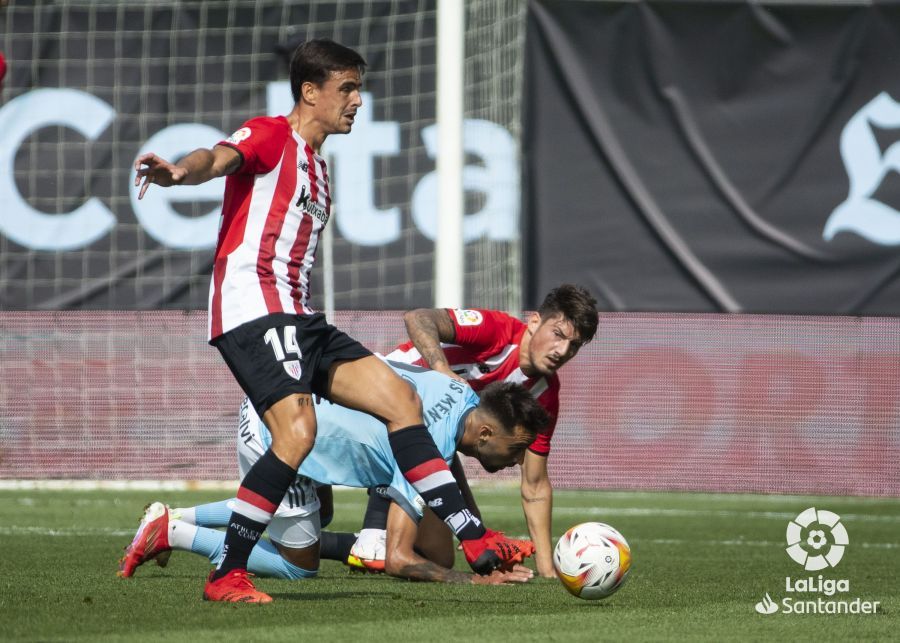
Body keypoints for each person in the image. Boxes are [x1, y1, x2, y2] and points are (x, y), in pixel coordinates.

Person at [133, 39, 527, 602]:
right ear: (309, 92)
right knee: (298, 434)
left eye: (359, 89)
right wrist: (178, 173)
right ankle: (226, 575)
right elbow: (218, 158)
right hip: (255, 309)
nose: (357, 102)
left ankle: (475, 536)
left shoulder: (318, 169)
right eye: (346, 89)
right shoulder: (272, 134)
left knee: (402, 402)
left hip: (301, 317)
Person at [118, 364, 547, 585]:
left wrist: (475, 533)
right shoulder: (427, 444)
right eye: (516, 449)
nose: (516, 461)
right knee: (297, 569)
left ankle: (179, 513)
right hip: (283, 434)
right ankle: (173, 531)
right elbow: (397, 559)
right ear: (487, 432)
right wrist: (471, 580)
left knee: (316, 518)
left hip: (283, 406)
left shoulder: (461, 393)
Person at [345, 284, 598, 578]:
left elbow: (535, 485)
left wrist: (546, 569)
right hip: (374, 398)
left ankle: (353, 543)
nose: (562, 351)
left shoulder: (544, 394)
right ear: (534, 323)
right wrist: (442, 372)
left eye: (574, 346)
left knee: (437, 554)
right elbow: (417, 318)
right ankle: (371, 535)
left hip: (425, 439)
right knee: (381, 551)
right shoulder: (498, 332)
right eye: (558, 335)